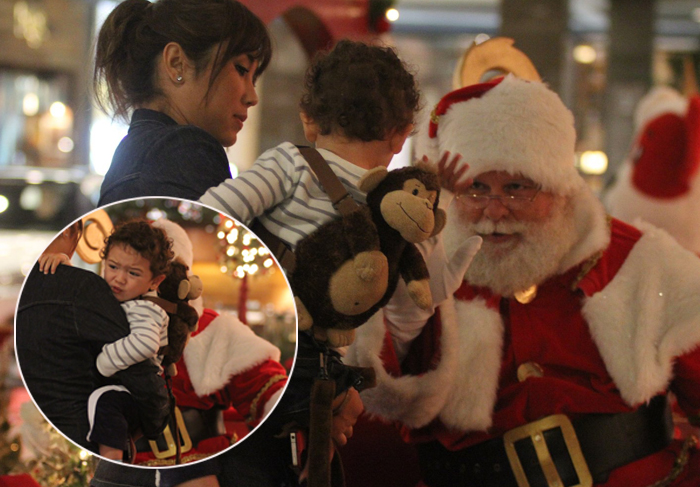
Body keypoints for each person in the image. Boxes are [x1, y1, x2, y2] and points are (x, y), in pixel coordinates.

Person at [345, 75, 700, 487]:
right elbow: (374, 387)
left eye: (517, 188)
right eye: (476, 189)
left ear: (561, 189)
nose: (494, 211)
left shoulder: (641, 262)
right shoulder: (418, 266)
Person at [199, 39, 420, 251]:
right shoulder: (389, 208)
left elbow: (209, 212)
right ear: (401, 136)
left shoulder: (291, 164)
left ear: (308, 121)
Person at [95, 0, 271, 205]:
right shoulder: (182, 150)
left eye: (254, 79)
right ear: (176, 63)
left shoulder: (131, 152)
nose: (252, 97)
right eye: (241, 69)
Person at [15, 223, 170, 454]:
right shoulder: (99, 291)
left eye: (133, 273)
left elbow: (145, 344)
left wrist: (103, 364)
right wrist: (66, 267)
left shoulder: (145, 308)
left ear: (155, 282)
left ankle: (113, 460)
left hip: (121, 394)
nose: (119, 278)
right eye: (113, 266)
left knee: (107, 404)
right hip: (98, 409)